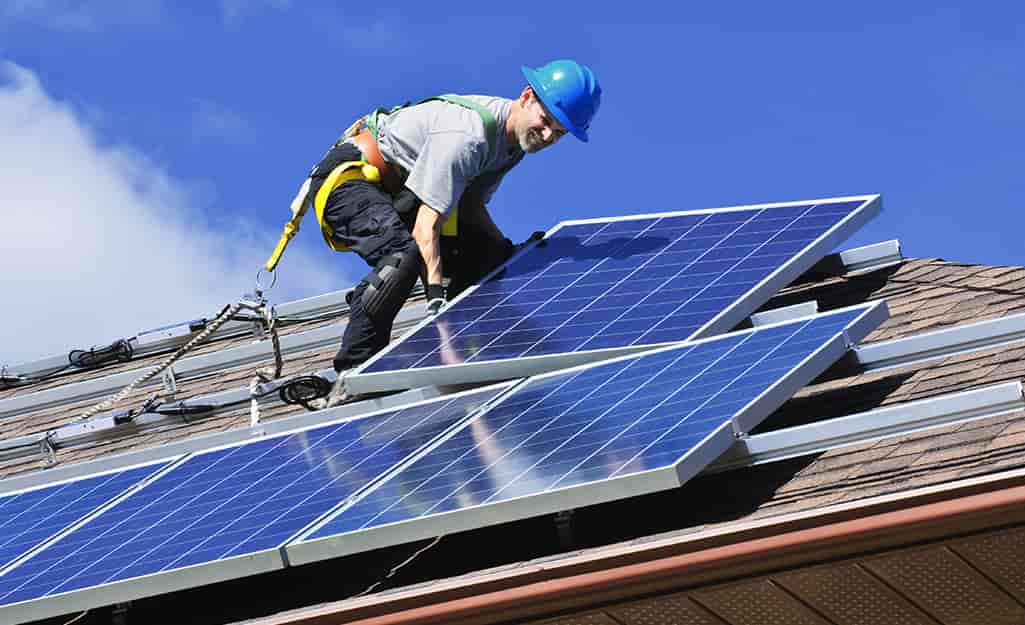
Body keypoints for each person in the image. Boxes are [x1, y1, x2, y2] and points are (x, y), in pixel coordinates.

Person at [304, 60, 601, 408]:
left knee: (489, 258)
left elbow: (470, 209)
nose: (548, 135)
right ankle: (355, 373)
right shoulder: (469, 136)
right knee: (403, 257)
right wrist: (436, 306)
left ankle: (476, 347)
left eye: (560, 132)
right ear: (526, 97)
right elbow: (425, 227)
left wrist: (507, 252)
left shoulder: (511, 147)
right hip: (349, 181)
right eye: (546, 121)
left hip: (401, 194)